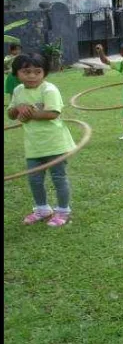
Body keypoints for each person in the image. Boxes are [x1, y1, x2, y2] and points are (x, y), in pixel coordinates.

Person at [6, 53, 76, 227]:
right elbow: (11, 113)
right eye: (26, 71)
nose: (31, 76)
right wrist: (18, 110)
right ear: (17, 74)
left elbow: (53, 113)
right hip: (33, 146)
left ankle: (63, 211)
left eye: (37, 72)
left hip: (54, 143)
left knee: (58, 177)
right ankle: (42, 209)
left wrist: (30, 114)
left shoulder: (48, 90)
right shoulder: (18, 90)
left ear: (44, 73)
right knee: (34, 180)